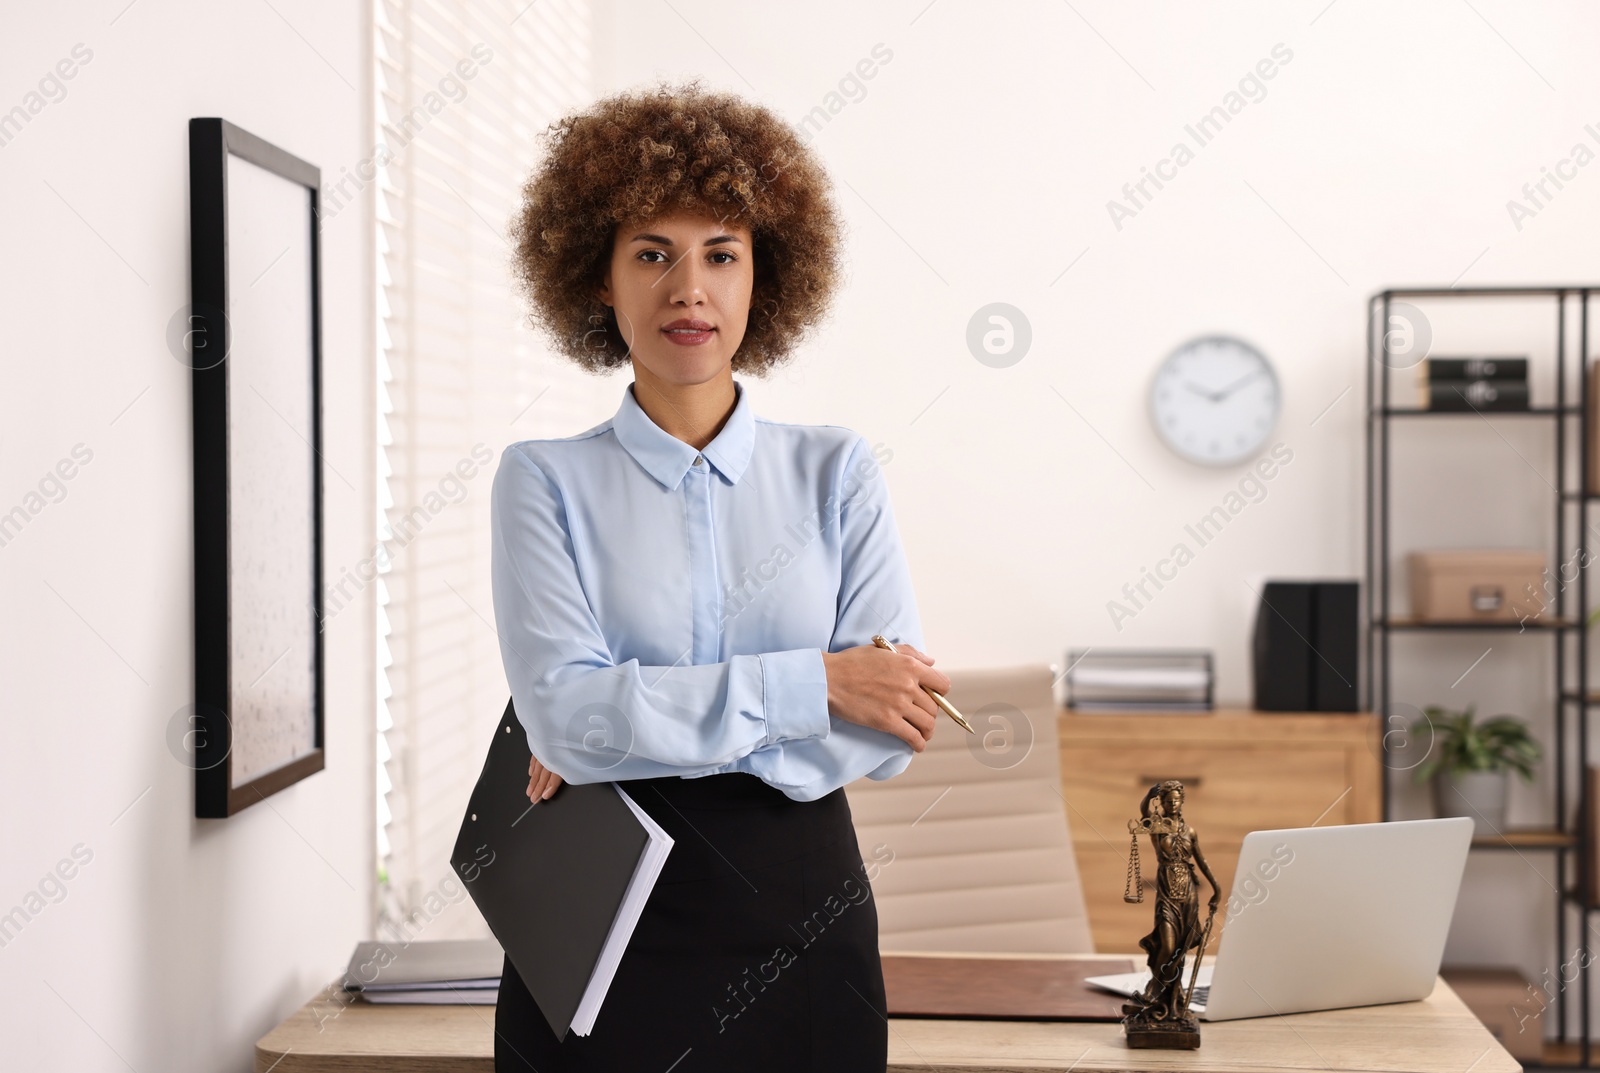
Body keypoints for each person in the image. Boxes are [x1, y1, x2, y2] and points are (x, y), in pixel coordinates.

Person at [487, 79, 949, 1072]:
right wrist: (817, 684)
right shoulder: (542, 480)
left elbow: (894, 732)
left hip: (802, 914)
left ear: (761, 278)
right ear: (599, 280)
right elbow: (569, 721)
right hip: (598, 914)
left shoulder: (836, 470)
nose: (687, 288)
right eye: (651, 253)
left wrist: (631, 719)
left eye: (721, 255)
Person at [1123, 780, 1219, 1026]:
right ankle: (1153, 992)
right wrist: (1147, 796)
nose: (1172, 804)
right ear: (1162, 803)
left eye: (1176, 799)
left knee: (1180, 949)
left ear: (1182, 801)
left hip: (1188, 892)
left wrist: (1216, 887)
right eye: (1167, 800)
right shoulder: (1158, 827)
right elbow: (1143, 814)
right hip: (1166, 892)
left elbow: (1202, 861)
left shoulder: (1191, 831)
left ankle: (1172, 1001)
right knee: (1166, 947)